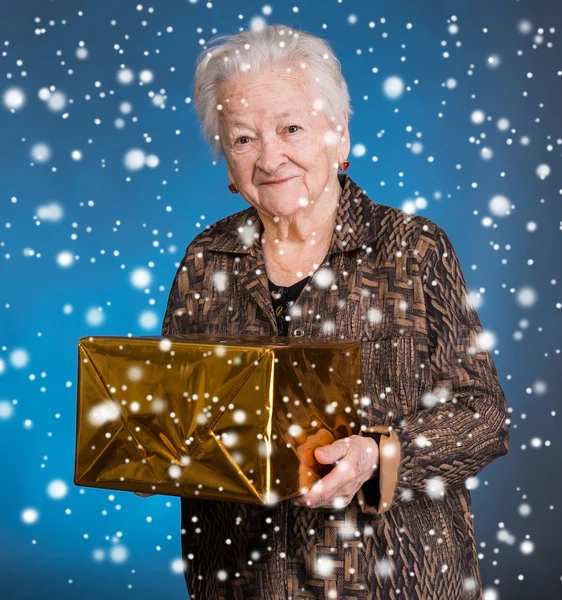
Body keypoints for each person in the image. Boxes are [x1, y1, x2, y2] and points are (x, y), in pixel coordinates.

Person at [155, 23, 510, 600]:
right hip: (247, 580)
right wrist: (156, 448)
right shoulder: (205, 259)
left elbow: (483, 416)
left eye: (291, 128)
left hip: (397, 576)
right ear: (225, 159)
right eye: (243, 138)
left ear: (339, 137)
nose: (271, 157)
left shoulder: (413, 248)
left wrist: (378, 455)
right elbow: (183, 416)